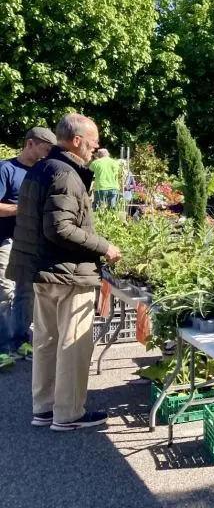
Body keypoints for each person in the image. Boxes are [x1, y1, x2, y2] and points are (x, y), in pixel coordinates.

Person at [9, 113, 121, 430]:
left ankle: (44, 408)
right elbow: (60, 228)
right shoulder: (65, 173)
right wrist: (104, 246)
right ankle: (69, 413)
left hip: (43, 270)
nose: (95, 148)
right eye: (92, 142)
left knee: (46, 341)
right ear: (76, 140)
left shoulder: (41, 168)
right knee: (73, 343)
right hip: (68, 273)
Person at [0, 127, 56, 371]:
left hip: (30, 242)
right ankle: (3, 347)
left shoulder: (42, 171)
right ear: (30, 143)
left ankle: (21, 340)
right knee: (4, 292)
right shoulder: (6, 169)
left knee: (26, 293)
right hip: (6, 240)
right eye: (45, 146)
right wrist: (24, 208)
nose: (48, 152)